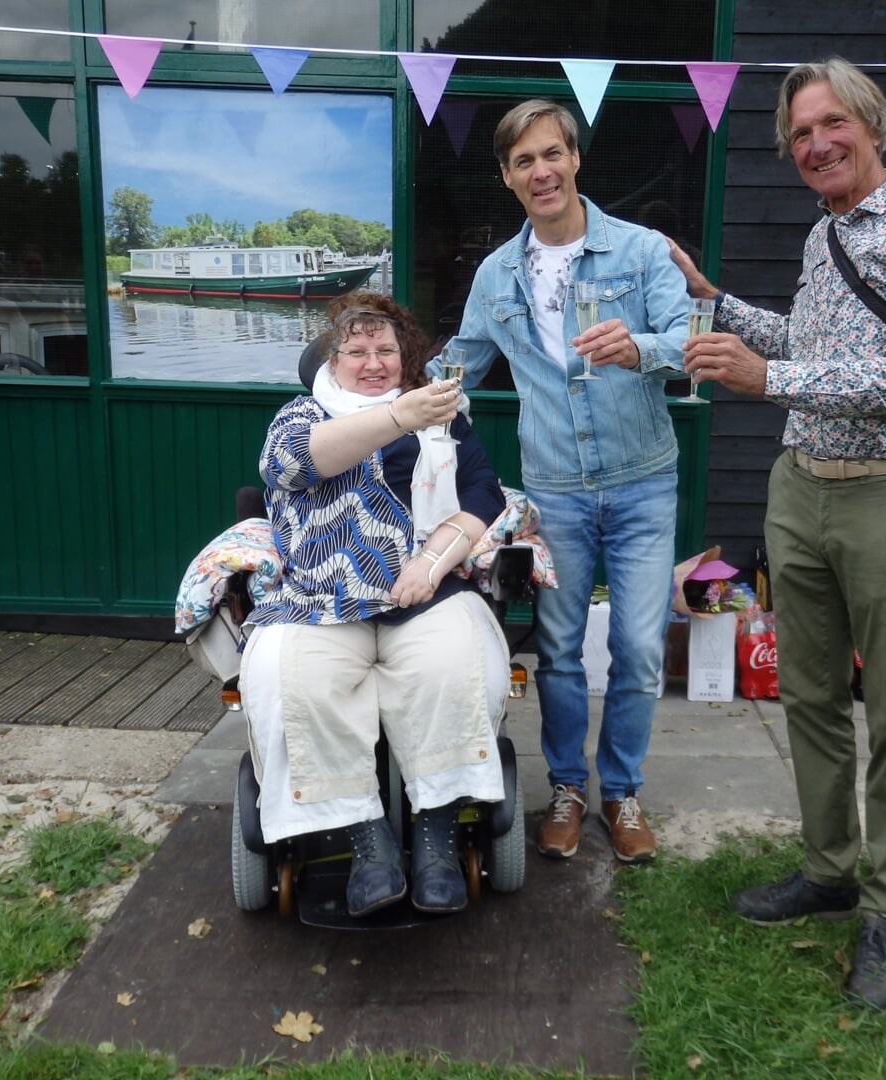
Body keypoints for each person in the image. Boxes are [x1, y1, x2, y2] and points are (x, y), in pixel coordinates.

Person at [669, 58, 886, 1013]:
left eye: (830, 124)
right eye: (800, 134)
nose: (815, 145)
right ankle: (828, 871)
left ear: (871, 122)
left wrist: (763, 381)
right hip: (802, 487)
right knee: (810, 695)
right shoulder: (825, 236)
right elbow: (812, 348)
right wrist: (717, 303)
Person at [433, 99, 692, 864]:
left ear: (575, 159)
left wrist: (639, 348)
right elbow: (460, 364)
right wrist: (378, 396)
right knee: (561, 648)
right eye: (524, 161)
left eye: (552, 154)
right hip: (555, 489)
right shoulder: (496, 274)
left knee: (640, 648)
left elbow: (689, 343)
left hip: (644, 482)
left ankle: (623, 791)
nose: (541, 171)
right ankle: (568, 790)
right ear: (507, 177)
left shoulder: (641, 250)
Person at [241, 291, 511, 918]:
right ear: (330, 362)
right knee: (294, 680)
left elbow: (482, 494)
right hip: (318, 598)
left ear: (403, 356)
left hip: (423, 593)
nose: (372, 362)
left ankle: (436, 835)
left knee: (456, 666)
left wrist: (432, 563)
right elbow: (297, 465)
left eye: (385, 350)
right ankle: (367, 839)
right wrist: (398, 416)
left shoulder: (441, 415)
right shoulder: (300, 416)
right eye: (355, 351)